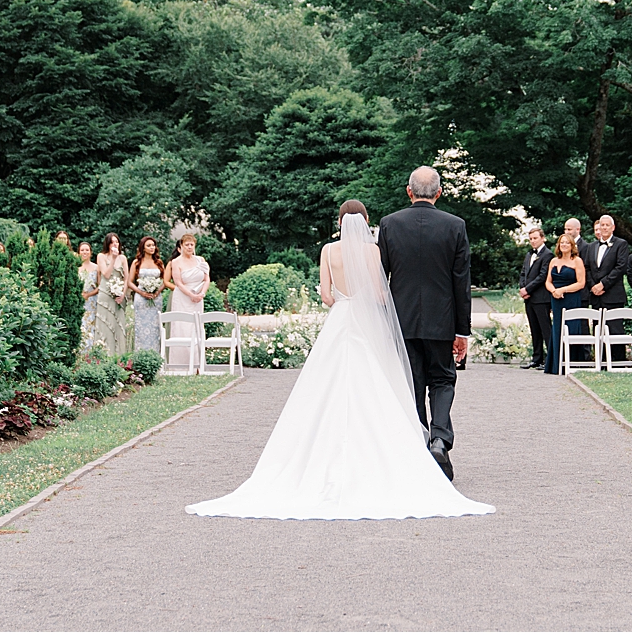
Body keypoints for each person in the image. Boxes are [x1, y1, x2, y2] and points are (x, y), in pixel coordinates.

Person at [186, 200, 492, 519]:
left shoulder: (329, 251)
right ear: (365, 221)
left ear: (340, 221)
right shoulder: (372, 251)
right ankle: (410, 447)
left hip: (340, 319)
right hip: (368, 322)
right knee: (376, 386)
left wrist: (342, 298)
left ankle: (324, 456)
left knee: (327, 386)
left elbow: (326, 296)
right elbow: (378, 294)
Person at [376, 168, 472, 480]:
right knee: (443, 380)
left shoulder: (389, 225)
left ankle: (418, 444)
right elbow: (462, 283)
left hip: (402, 320)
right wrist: (462, 330)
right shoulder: (455, 226)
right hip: (442, 320)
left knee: (412, 383)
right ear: (439, 193)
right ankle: (440, 439)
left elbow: (380, 277)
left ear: (409, 191)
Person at [163, 234, 211, 369]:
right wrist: (191, 294)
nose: (190, 247)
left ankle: (197, 363)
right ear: (182, 246)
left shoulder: (200, 260)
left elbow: (206, 279)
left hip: (198, 298)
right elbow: (177, 282)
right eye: (187, 245)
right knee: (182, 327)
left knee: (196, 327)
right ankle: (179, 364)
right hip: (183, 297)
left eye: (192, 245)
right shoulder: (176, 262)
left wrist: (202, 293)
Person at [544, 229, 586, 376]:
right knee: (557, 329)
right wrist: (554, 290)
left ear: (572, 245)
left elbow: (581, 283)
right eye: (562, 242)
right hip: (556, 299)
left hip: (571, 299)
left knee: (571, 329)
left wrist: (563, 290)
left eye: (567, 243)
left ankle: (571, 364)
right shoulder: (554, 261)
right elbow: (548, 281)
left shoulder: (577, 261)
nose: (564, 245)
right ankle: (555, 365)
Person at [585, 214, 630, 348]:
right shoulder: (591, 246)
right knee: (598, 329)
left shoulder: (621, 244)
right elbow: (586, 267)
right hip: (596, 295)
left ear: (613, 228)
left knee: (615, 329)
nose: (604, 228)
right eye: (602, 225)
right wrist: (593, 286)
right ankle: (601, 360)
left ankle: (618, 361)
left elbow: (620, 267)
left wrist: (603, 284)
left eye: (607, 225)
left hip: (613, 294)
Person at [516, 225, 553, 370]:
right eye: (530, 239)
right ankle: (536, 358)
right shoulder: (528, 254)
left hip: (541, 298)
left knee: (545, 329)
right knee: (534, 329)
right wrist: (522, 287)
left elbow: (542, 276)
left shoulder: (548, 255)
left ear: (542, 238)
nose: (533, 241)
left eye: (535, 238)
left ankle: (550, 359)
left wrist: (528, 288)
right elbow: (524, 272)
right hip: (529, 298)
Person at [128, 235, 165, 352]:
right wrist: (141, 292)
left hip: (156, 299)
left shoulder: (158, 262)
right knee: (141, 328)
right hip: (141, 299)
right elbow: (129, 282)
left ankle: (156, 356)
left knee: (155, 328)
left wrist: (157, 291)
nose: (151, 247)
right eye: (148, 245)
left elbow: (165, 281)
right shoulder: (136, 262)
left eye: (153, 245)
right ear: (143, 248)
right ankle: (140, 356)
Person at [95, 235, 129, 358]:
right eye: (112, 242)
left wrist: (123, 294)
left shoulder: (123, 258)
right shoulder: (101, 256)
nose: (115, 244)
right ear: (107, 244)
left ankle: (119, 358)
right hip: (105, 293)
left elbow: (126, 278)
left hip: (119, 295)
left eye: (117, 242)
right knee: (105, 324)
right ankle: (103, 356)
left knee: (118, 325)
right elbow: (106, 274)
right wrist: (113, 259)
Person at [78, 242, 101, 349]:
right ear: (79, 252)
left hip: (92, 301)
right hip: (79, 300)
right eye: (82, 250)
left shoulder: (96, 267)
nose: (84, 252)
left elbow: (100, 286)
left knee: (91, 325)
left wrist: (89, 294)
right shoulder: (76, 267)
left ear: (91, 252)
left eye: (87, 250)